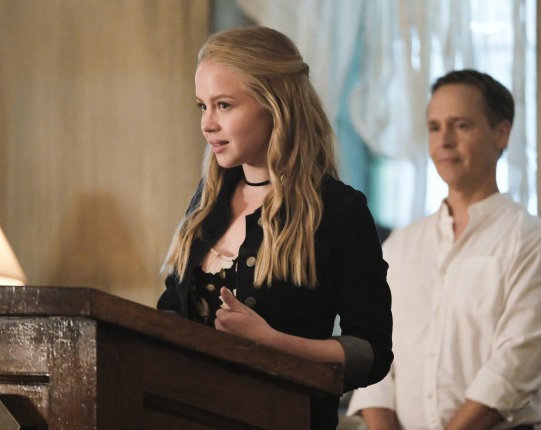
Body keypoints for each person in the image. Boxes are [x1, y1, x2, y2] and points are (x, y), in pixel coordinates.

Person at [157, 26, 393, 430]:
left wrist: (272, 343)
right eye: (202, 106)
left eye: (224, 105)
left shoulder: (339, 210)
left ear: (275, 105)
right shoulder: (207, 200)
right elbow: (171, 312)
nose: (207, 124)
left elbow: (372, 352)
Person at [347, 69, 541, 430]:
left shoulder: (533, 243)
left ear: (501, 133)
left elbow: (512, 370)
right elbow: (376, 357)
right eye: (434, 127)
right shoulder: (401, 245)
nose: (444, 141)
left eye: (461, 126)